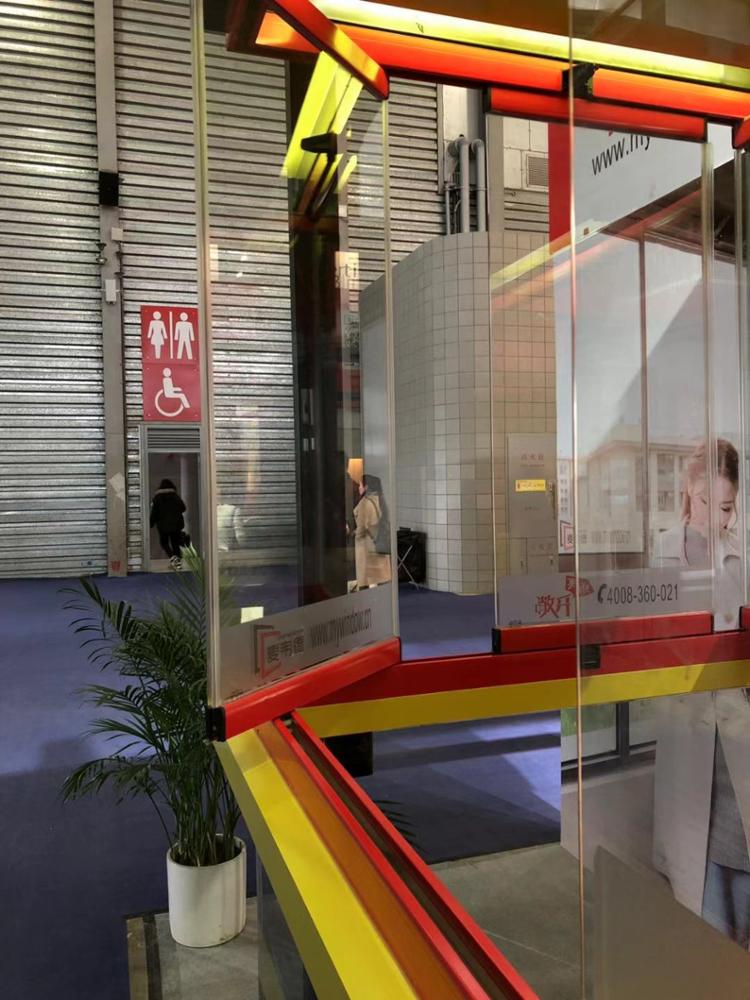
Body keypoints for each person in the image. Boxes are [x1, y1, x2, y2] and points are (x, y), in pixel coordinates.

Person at [652, 439, 750, 948]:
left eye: (728, 507)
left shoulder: (742, 554)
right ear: (689, 492)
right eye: (709, 502)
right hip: (690, 725)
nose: (718, 518)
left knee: (738, 850)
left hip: (738, 724)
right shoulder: (662, 553)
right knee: (700, 858)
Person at [353, 473, 391, 590]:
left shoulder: (365, 503)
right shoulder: (380, 500)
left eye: (360, 485)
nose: (358, 487)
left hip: (367, 546)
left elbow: (361, 528)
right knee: (377, 580)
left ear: (366, 487)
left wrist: (354, 535)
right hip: (379, 544)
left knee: (368, 580)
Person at [150, 478, 187, 568]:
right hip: (176, 525)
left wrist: (151, 523)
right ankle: (177, 562)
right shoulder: (175, 497)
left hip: (162, 526)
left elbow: (154, 512)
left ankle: (173, 558)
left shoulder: (157, 498)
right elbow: (183, 508)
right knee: (175, 544)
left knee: (164, 543)